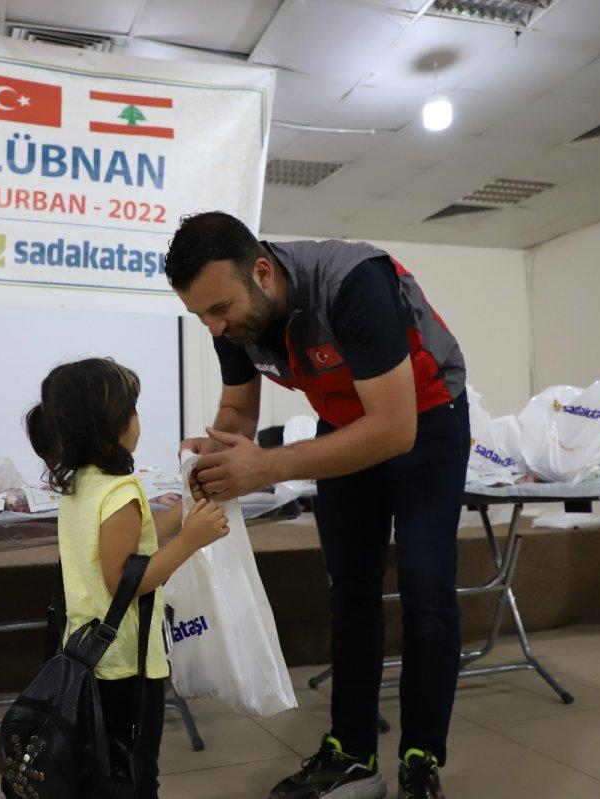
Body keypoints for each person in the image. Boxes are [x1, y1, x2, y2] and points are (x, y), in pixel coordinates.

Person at [166, 213, 469, 799]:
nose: (215, 326)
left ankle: (421, 757)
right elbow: (238, 412)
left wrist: (267, 466)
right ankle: (352, 755)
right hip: (345, 417)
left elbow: (394, 429)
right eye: (201, 316)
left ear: (262, 273)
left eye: (219, 310)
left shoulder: (355, 284)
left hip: (426, 416)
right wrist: (217, 447)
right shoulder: (231, 315)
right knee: (350, 589)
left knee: (426, 586)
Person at [25, 357, 230, 798]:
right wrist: (190, 540)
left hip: (86, 656)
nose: (139, 418)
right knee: (133, 775)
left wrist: (185, 512)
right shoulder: (120, 491)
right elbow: (123, 581)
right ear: (112, 426)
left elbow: (133, 540)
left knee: (98, 774)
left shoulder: (82, 483)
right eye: (132, 409)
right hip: (124, 664)